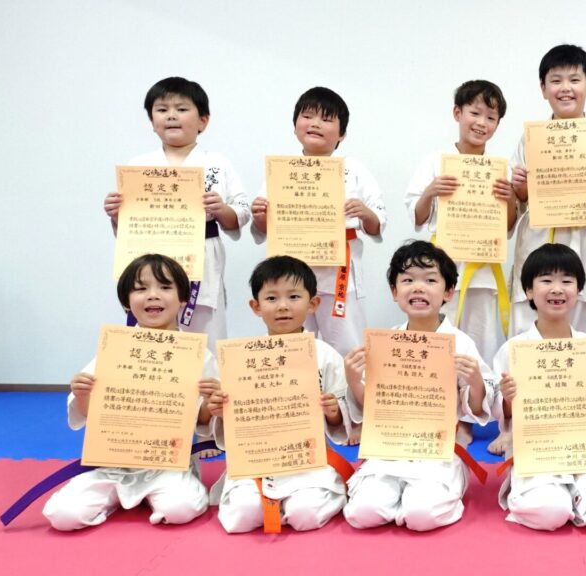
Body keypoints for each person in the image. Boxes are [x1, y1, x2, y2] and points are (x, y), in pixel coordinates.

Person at [42, 254, 215, 530]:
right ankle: (112, 499)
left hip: (166, 463)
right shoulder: (114, 349)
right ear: (126, 302)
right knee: (63, 515)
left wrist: (212, 402)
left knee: (180, 508)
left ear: (184, 299)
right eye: (140, 288)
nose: (153, 295)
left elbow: (204, 420)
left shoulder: (198, 355)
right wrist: (83, 392)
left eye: (165, 287)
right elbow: (88, 413)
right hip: (111, 461)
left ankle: (157, 496)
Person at [340, 241, 493, 531]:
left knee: (422, 515)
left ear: (448, 292)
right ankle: (395, 497)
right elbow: (371, 406)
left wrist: (475, 383)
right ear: (394, 292)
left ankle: (430, 492)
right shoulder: (385, 343)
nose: (418, 288)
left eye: (430, 280)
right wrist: (352, 379)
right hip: (389, 448)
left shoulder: (460, 343)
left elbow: (476, 409)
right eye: (408, 280)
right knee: (363, 514)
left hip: (437, 450)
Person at [403, 79, 514, 452]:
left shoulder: (500, 167)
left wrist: (510, 199)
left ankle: (481, 420)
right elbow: (417, 217)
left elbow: (508, 226)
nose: (481, 122)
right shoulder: (436, 162)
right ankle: (448, 419)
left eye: (490, 117)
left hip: (483, 272)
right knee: (441, 347)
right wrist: (432, 191)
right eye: (474, 113)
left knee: (480, 347)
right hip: (443, 273)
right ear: (457, 113)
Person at [204, 256, 352, 533]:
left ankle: (297, 503)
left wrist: (333, 412)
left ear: (313, 304)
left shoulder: (326, 355)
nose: (283, 306)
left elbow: (342, 424)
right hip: (256, 459)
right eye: (271, 298)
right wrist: (220, 411)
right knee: (242, 516)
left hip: (307, 458)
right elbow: (227, 420)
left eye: (294, 297)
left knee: (306, 515)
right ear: (256, 307)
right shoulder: (240, 359)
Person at [494, 243, 586, 531]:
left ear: (579, 290)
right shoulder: (515, 349)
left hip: (582, 449)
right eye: (546, 280)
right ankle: (563, 501)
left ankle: (580, 501)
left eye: (567, 281)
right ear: (528, 290)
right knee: (550, 512)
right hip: (536, 452)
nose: (557, 289)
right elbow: (503, 413)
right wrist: (507, 399)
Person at [103, 77, 250, 352]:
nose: (171, 115)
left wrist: (221, 209)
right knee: (152, 330)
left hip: (201, 255)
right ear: (152, 121)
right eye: (162, 109)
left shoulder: (217, 164)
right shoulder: (138, 166)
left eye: (181, 109)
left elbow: (242, 212)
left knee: (205, 337)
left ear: (203, 121)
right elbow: (128, 229)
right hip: (152, 254)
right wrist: (115, 214)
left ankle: (208, 381)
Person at [250, 86, 387, 364]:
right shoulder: (281, 171)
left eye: (326, 119)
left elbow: (377, 225)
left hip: (338, 273)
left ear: (342, 133)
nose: (315, 123)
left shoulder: (355, 170)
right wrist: (260, 214)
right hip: (291, 273)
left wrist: (366, 213)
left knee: (347, 344)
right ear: (294, 126)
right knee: (293, 342)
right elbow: (263, 229)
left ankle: (350, 392)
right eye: (308, 116)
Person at [508, 44, 586, 338]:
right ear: (543, 88)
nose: (565, 88)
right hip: (537, 243)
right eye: (556, 80)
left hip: (583, 246)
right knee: (527, 339)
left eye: (574, 80)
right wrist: (519, 183)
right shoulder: (531, 137)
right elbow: (521, 200)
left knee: (578, 340)